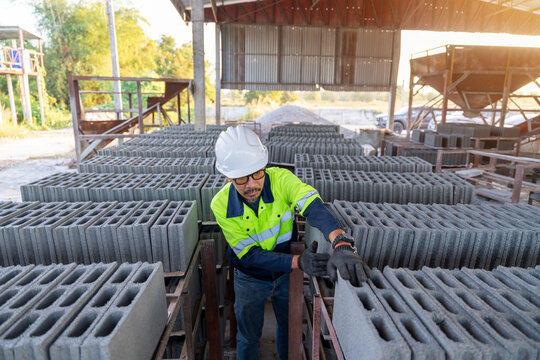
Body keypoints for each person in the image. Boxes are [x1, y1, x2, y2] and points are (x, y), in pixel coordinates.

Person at [210, 126, 371, 360]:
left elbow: (312, 205)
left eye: (257, 174)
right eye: (242, 179)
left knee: (288, 329)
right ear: (227, 176)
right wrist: (298, 262)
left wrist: (341, 242)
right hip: (249, 277)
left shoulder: (280, 180)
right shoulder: (220, 204)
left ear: (264, 167)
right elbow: (250, 256)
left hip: (284, 275)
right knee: (248, 336)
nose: (252, 184)